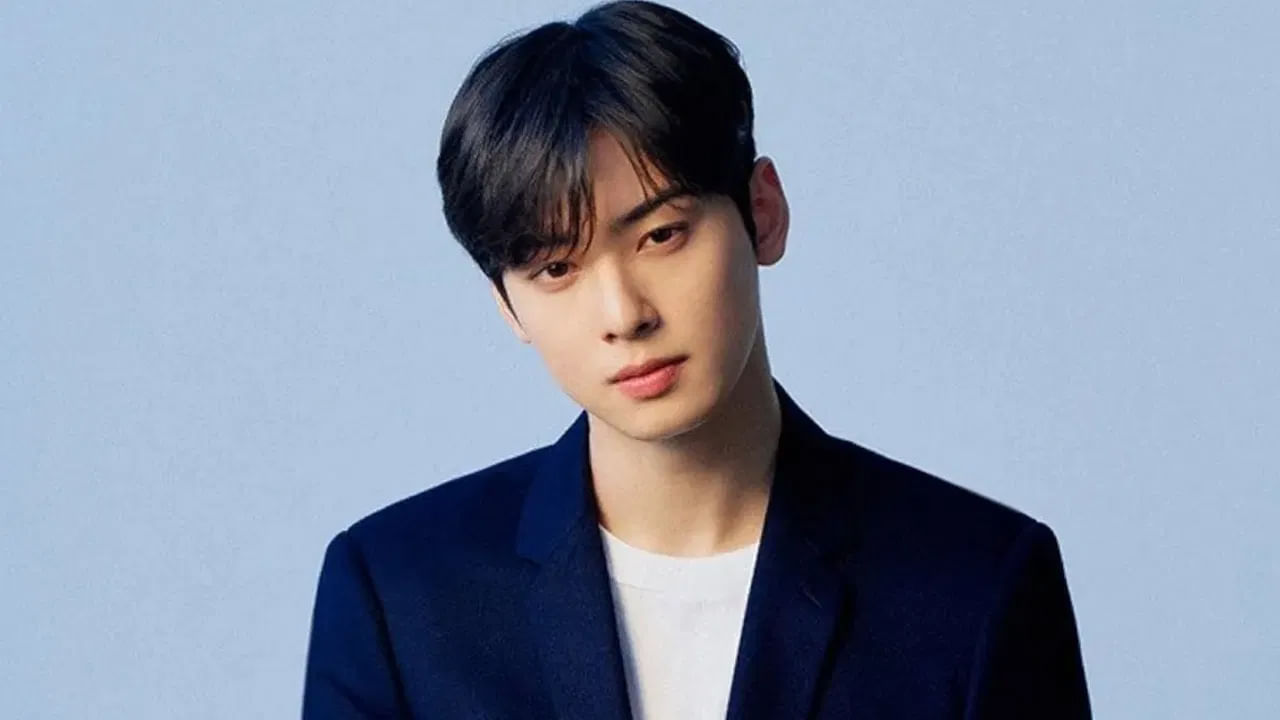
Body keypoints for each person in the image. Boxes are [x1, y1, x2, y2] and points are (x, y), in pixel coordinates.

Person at [301, 1, 1092, 718]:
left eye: (661, 235)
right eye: (556, 269)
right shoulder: (397, 596)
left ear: (763, 212)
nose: (624, 315)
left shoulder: (977, 586)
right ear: (508, 306)